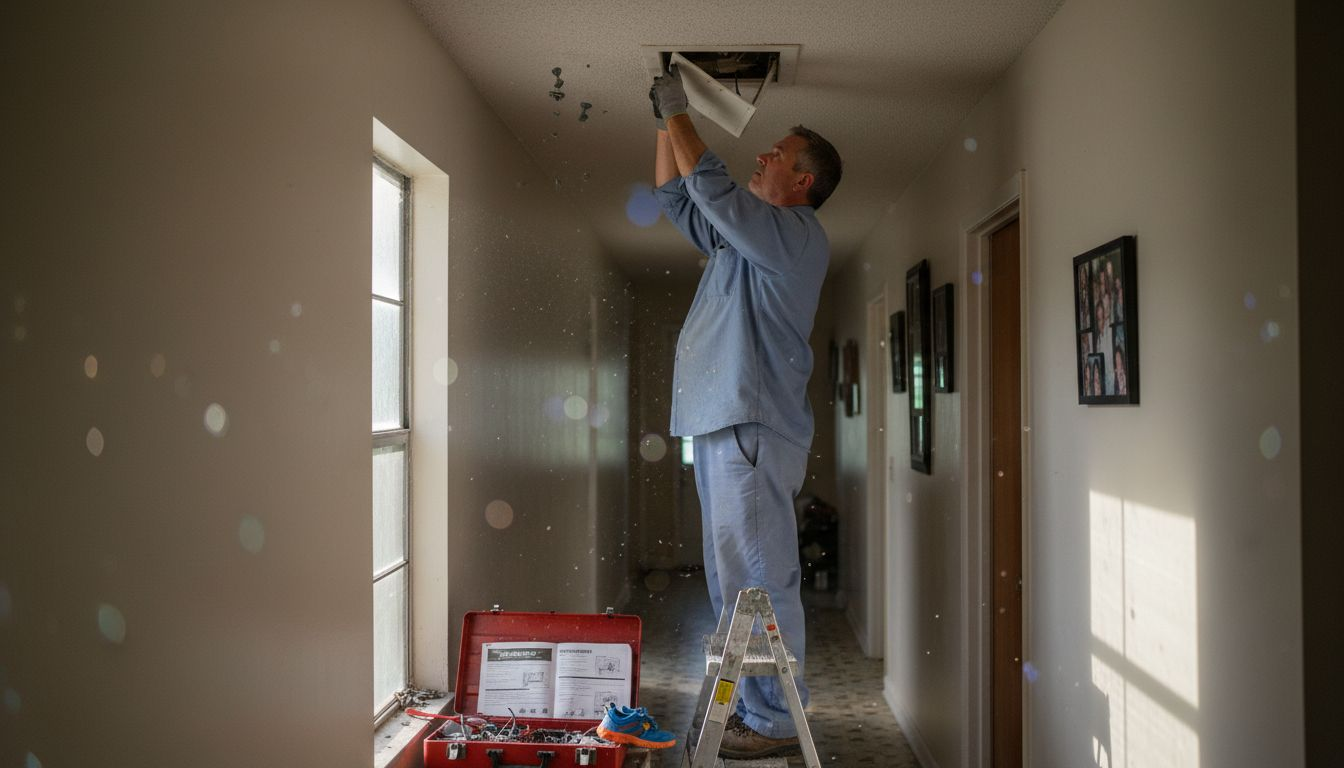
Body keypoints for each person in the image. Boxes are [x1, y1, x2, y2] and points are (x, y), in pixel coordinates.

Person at [648, 65, 842, 760]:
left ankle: (772, 721)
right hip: (724, 425)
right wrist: (660, 121)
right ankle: (750, 709)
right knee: (737, 579)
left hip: (750, 428)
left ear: (802, 183)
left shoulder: (796, 236)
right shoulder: (744, 245)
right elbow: (678, 197)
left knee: (760, 578)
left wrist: (679, 108)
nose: (763, 154)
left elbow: (713, 187)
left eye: (778, 154)